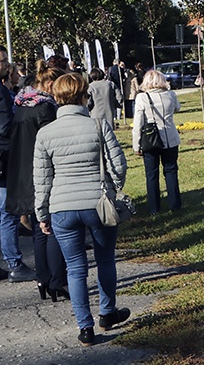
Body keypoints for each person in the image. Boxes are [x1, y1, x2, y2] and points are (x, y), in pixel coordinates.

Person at [33, 73, 131, 345]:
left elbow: (41, 180)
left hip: (62, 207)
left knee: (75, 269)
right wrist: (113, 188)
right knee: (105, 260)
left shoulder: (45, 134)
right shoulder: (98, 126)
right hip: (97, 203)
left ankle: (85, 328)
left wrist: (42, 213)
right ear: (84, 95)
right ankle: (108, 312)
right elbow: (119, 165)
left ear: (56, 97)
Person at [6, 60, 68, 300]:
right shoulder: (46, 108)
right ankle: (56, 280)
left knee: (39, 229)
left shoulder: (22, 103)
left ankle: (43, 279)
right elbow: (52, 143)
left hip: (22, 172)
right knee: (51, 228)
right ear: (51, 84)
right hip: (42, 171)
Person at [0, 45, 38, 282]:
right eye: (3, 61)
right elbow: (5, 127)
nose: (7, 64)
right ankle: (14, 262)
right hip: (4, 158)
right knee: (7, 213)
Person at [132, 69, 182, 215]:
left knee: (152, 174)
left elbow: (137, 124)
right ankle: (175, 204)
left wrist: (136, 145)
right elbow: (177, 108)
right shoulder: (170, 95)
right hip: (170, 138)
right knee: (171, 171)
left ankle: (154, 208)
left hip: (151, 140)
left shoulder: (142, 98)